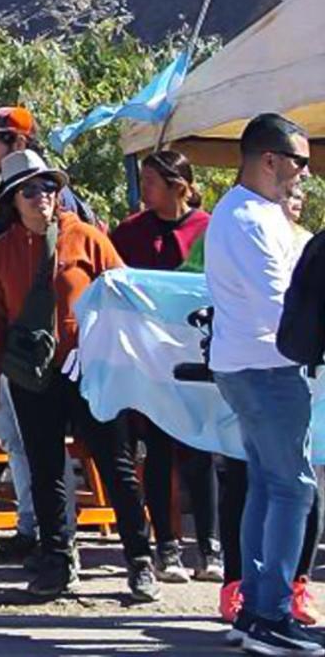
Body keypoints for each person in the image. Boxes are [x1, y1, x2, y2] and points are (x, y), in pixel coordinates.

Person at [0, 150, 155, 602]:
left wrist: (115, 355)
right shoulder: (1, 251)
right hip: (32, 375)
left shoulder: (88, 239)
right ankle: (57, 561)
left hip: (91, 370)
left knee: (116, 465)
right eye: (30, 190)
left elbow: (126, 297)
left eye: (49, 187)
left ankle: (139, 560)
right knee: (45, 467)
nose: (42, 197)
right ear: (12, 201)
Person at [0, 105, 89, 559]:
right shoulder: (15, 194)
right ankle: (36, 528)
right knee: (19, 440)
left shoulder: (50, 199)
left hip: (42, 350)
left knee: (41, 443)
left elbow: (36, 268)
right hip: (19, 347)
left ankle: (55, 534)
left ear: (19, 144)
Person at [207, 114, 315, 653]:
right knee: (293, 487)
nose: (303, 175)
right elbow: (282, 304)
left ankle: (255, 609)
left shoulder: (244, 212)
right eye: (299, 163)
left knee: (269, 484)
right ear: (269, 159)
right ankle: (270, 614)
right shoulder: (250, 219)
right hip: (267, 367)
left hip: (247, 364)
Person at [109, 150, 219, 585]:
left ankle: (210, 548)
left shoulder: (210, 231)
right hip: (152, 360)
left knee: (201, 451)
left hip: (200, 356)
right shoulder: (130, 233)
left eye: (152, 181)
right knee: (157, 452)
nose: (145, 189)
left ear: (180, 186)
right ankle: (166, 548)